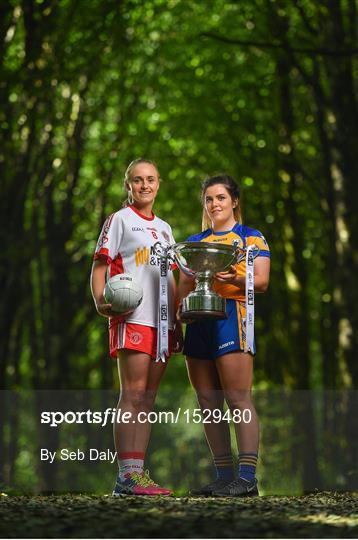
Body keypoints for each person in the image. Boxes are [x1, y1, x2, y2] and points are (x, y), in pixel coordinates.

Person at [91, 158, 182, 496]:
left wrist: (176, 322)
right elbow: (100, 266)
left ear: (159, 184)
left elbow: (170, 277)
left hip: (162, 323)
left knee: (148, 398)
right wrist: (101, 301)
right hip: (131, 317)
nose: (145, 185)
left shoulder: (166, 228)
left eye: (151, 179)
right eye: (138, 180)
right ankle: (125, 476)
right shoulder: (119, 221)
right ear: (127, 185)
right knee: (131, 394)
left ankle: (136, 475)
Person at [178, 174, 270, 497]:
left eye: (220, 198)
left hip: (233, 316)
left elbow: (261, 281)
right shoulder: (194, 241)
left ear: (234, 202)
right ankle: (224, 476)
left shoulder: (251, 238)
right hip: (197, 320)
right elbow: (184, 287)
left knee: (237, 397)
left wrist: (236, 274)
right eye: (209, 199)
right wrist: (177, 322)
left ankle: (247, 478)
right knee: (207, 401)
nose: (215, 204)